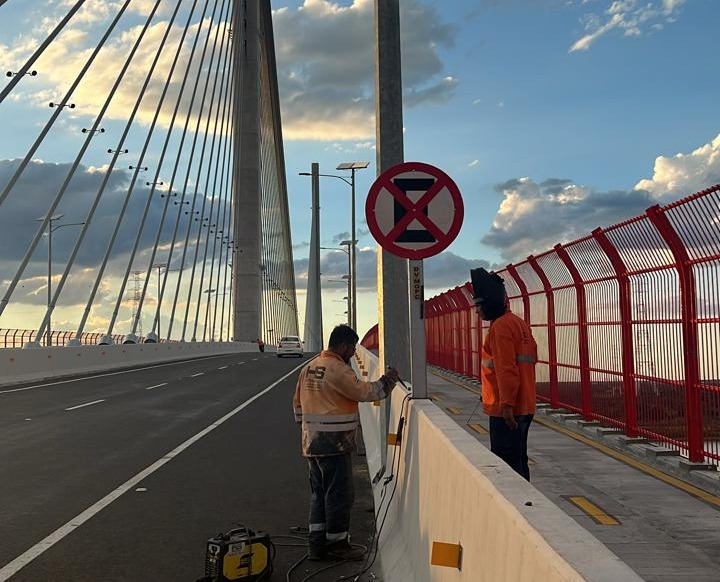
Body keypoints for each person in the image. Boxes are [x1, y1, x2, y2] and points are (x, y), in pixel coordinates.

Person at [293, 324, 399, 561]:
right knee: (339, 495)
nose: (353, 353)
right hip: (334, 443)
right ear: (342, 346)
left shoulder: (309, 367)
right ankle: (338, 544)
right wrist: (387, 382)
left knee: (319, 493)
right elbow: (364, 392)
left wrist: (308, 428)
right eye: (352, 348)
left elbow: (297, 406)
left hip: (311, 443)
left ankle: (317, 544)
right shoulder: (337, 370)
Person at [471, 268, 538, 481]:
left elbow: (506, 369)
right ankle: (528, 506)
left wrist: (507, 404)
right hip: (526, 404)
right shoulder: (519, 323)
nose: (477, 311)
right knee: (519, 459)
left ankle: (520, 509)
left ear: (489, 303)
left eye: (478, 305)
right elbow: (531, 357)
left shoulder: (500, 328)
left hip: (507, 411)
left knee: (507, 467)